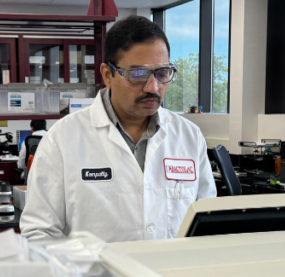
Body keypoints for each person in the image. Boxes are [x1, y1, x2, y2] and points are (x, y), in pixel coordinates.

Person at [20, 15, 216, 243]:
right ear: (107, 75)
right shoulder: (62, 140)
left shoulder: (189, 136)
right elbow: (39, 232)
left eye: (162, 74)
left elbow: (206, 219)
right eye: (137, 74)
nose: (153, 87)